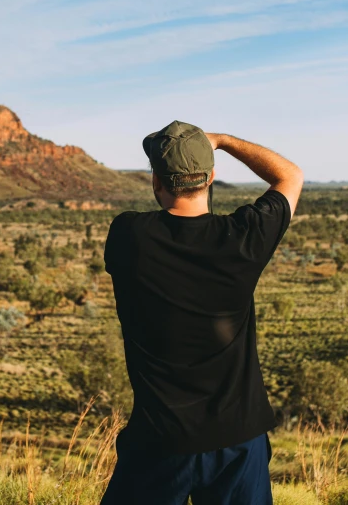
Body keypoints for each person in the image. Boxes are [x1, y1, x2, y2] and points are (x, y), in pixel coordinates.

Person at [101, 121, 303, 505]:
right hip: (238, 439)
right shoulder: (244, 237)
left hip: (159, 440)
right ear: (210, 177)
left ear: (156, 181)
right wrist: (224, 141)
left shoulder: (129, 236)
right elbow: (289, 176)